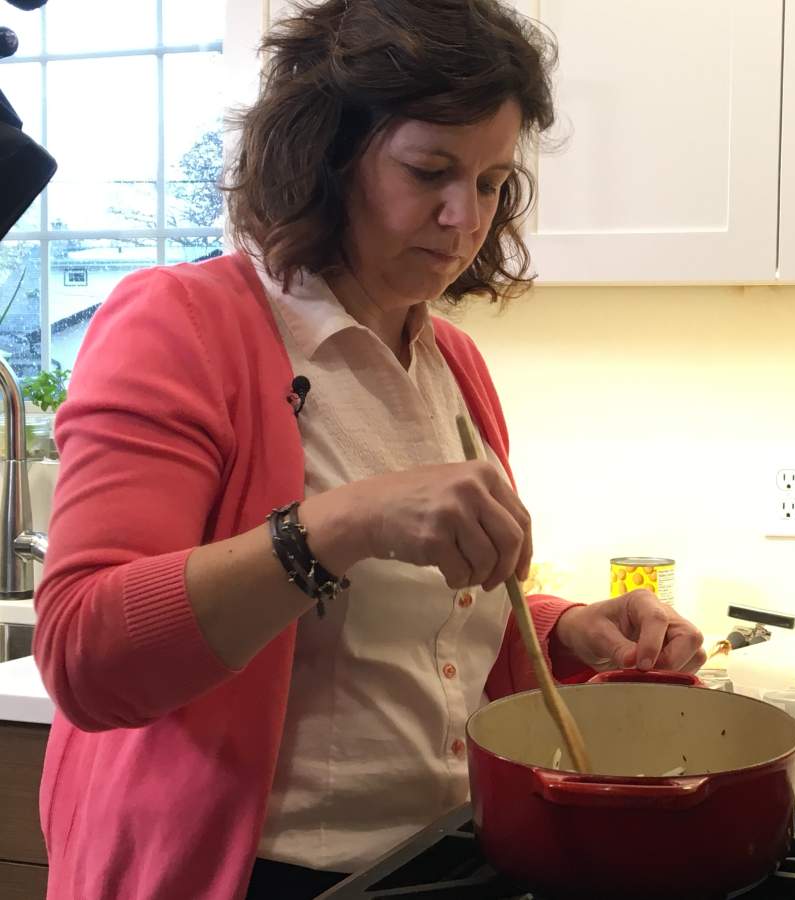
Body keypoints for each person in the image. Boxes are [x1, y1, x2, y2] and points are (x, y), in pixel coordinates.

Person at [32, 2, 706, 897]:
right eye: (430, 170)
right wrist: (339, 525)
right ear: (328, 155)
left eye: (495, 181)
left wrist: (562, 628)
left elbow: (420, 638)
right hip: (259, 875)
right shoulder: (183, 327)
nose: (465, 217)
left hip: (442, 861)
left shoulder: (449, 362)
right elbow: (86, 653)